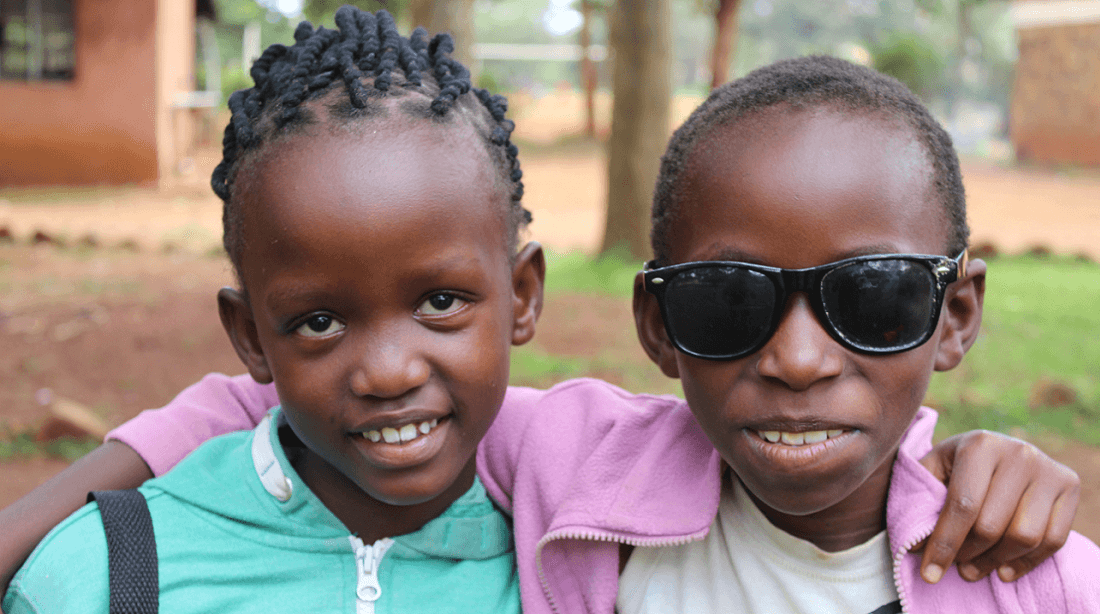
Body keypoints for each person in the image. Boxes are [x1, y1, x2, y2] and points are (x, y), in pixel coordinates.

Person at [0, 49, 1083, 614]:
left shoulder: (1040, 575)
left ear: (954, 316)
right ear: (655, 323)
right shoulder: (586, 475)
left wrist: (965, 462)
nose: (797, 356)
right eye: (724, 302)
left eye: (875, 295)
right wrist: (69, 499)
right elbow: (296, 396)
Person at [2, 7, 543, 613]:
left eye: (440, 303)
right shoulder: (106, 577)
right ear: (251, 336)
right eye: (320, 322)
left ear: (521, 295)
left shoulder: (585, 566)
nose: (390, 373)